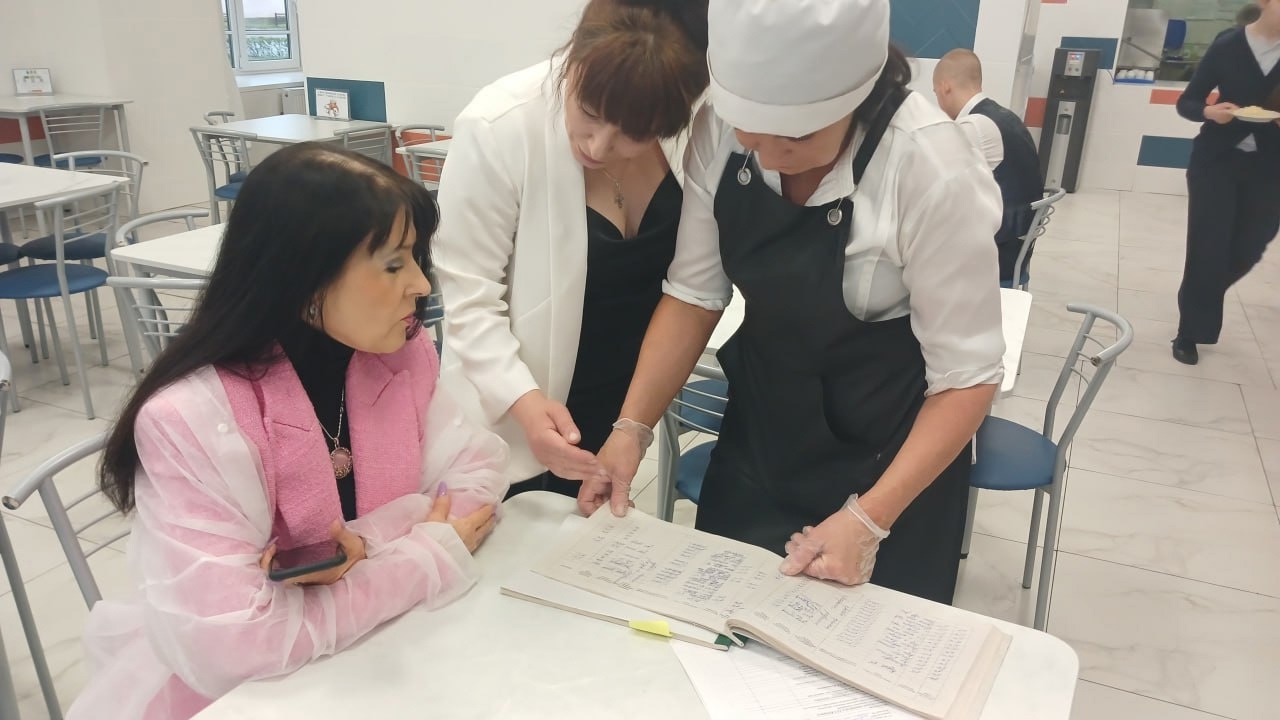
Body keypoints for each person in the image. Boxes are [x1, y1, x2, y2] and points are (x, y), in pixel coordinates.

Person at [580, 0, 1005, 605]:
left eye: (798, 136)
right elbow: (694, 294)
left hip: (891, 464)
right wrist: (632, 428)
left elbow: (968, 377)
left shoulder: (932, 168)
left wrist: (869, 519)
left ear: (856, 98)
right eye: (751, 132)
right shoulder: (717, 126)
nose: (769, 156)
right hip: (759, 442)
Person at [69, 144, 509, 720]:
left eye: (416, 258)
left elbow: (477, 476)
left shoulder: (400, 353)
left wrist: (367, 553)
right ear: (304, 275)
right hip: (253, 697)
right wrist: (422, 554)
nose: (422, 284)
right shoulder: (193, 417)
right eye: (394, 264)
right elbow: (235, 643)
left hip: (394, 657)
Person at [435, 0, 710, 497]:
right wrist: (523, 402)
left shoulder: (692, 126)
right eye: (589, 112)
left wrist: (633, 424)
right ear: (574, 58)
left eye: (633, 135)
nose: (599, 147)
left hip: (625, 404)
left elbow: (692, 286)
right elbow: (470, 301)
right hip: (515, 408)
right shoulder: (499, 125)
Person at [1173, 0, 1280, 365]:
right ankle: (1189, 331)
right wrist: (1209, 112)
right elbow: (1188, 102)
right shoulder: (1228, 45)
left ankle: (1200, 295)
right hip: (1216, 162)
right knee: (1207, 248)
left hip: (1270, 167)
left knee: (1250, 247)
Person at [933, 49, 1045, 287]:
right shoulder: (1006, 117)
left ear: (945, 87)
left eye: (935, 93)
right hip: (1017, 245)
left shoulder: (973, 126)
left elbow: (936, 183)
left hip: (997, 257)